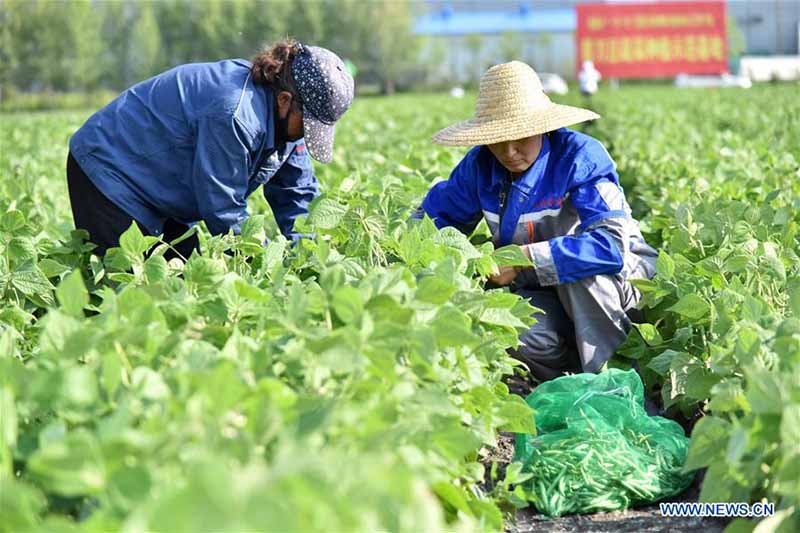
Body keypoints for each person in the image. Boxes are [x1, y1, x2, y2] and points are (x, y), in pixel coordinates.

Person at [413, 61, 657, 382]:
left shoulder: (580, 158)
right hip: (548, 295)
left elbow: (609, 248)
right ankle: (569, 376)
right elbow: (433, 224)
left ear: (541, 126)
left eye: (520, 136)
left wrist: (522, 260)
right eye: (497, 139)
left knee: (584, 276)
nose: (509, 151)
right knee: (504, 326)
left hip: (616, 289)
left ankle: (617, 380)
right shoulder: (481, 166)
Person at [67, 39, 354, 259]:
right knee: (131, 293)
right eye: (307, 124)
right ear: (284, 100)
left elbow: (297, 195)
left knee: (184, 276)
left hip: (160, 183)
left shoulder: (289, 125)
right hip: (108, 170)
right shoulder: (235, 114)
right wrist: (268, 261)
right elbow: (223, 210)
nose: (306, 134)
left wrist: (314, 259)